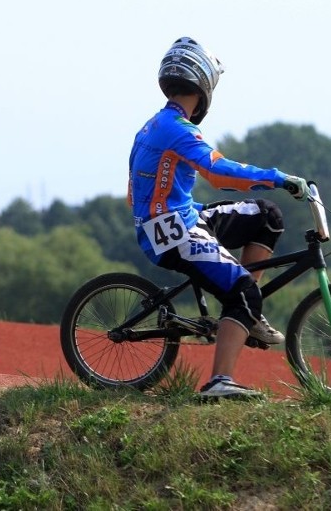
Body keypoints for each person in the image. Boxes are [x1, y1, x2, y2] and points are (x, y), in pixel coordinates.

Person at [128, 37, 311, 399]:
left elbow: (132, 193)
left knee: (267, 216)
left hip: (176, 221)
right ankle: (219, 381)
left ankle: (249, 317)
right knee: (243, 291)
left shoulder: (151, 126)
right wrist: (278, 178)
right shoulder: (178, 130)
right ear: (204, 85)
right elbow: (219, 173)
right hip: (174, 231)